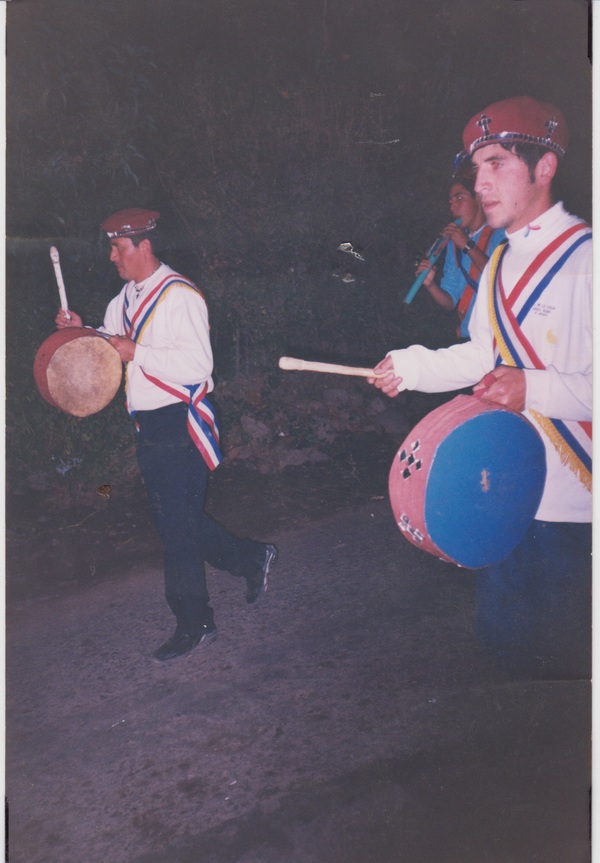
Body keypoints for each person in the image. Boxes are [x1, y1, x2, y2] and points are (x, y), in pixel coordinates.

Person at [370, 97, 592, 679]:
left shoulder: (588, 259)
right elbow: (480, 355)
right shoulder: (496, 263)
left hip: (577, 506)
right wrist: (409, 367)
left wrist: (531, 390)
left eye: (497, 163)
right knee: (506, 654)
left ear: (544, 168)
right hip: (505, 487)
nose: (481, 182)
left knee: (568, 676)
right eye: (476, 169)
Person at [55, 208, 277, 662]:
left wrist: (135, 350)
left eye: (118, 247)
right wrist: (82, 331)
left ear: (143, 246)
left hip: (181, 420)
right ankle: (251, 559)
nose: (112, 257)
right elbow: (110, 345)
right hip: (149, 424)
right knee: (181, 520)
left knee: (176, 528)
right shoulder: (123, 300)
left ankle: (195, 623)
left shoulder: (180, 296)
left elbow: (198, 368)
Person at [416, 167, 506, 340]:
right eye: (450, 202)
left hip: (499, 339)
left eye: (459, 198)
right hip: (468, 338)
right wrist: (430, 284)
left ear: (479, 198)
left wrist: (466, 244)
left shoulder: (501, 233)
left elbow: (500, 278)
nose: (453, 207)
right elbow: (450, 302)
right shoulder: (453, 245)